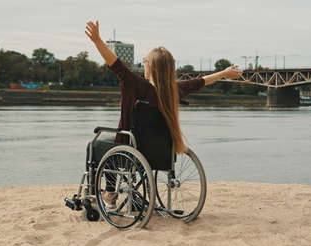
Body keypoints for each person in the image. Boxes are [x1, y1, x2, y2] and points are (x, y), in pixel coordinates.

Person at [85, 20, 243, 207]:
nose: (142, 63)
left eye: (144, 61)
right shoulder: (174, 90)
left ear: (150, 66)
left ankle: (109, 194)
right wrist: (223, 73)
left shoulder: (137, 85)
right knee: (113, 145)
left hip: (131, 149)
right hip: (160, 154)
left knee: (94, 145)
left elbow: (115, 64)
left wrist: (97, 41)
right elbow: (200, 82)